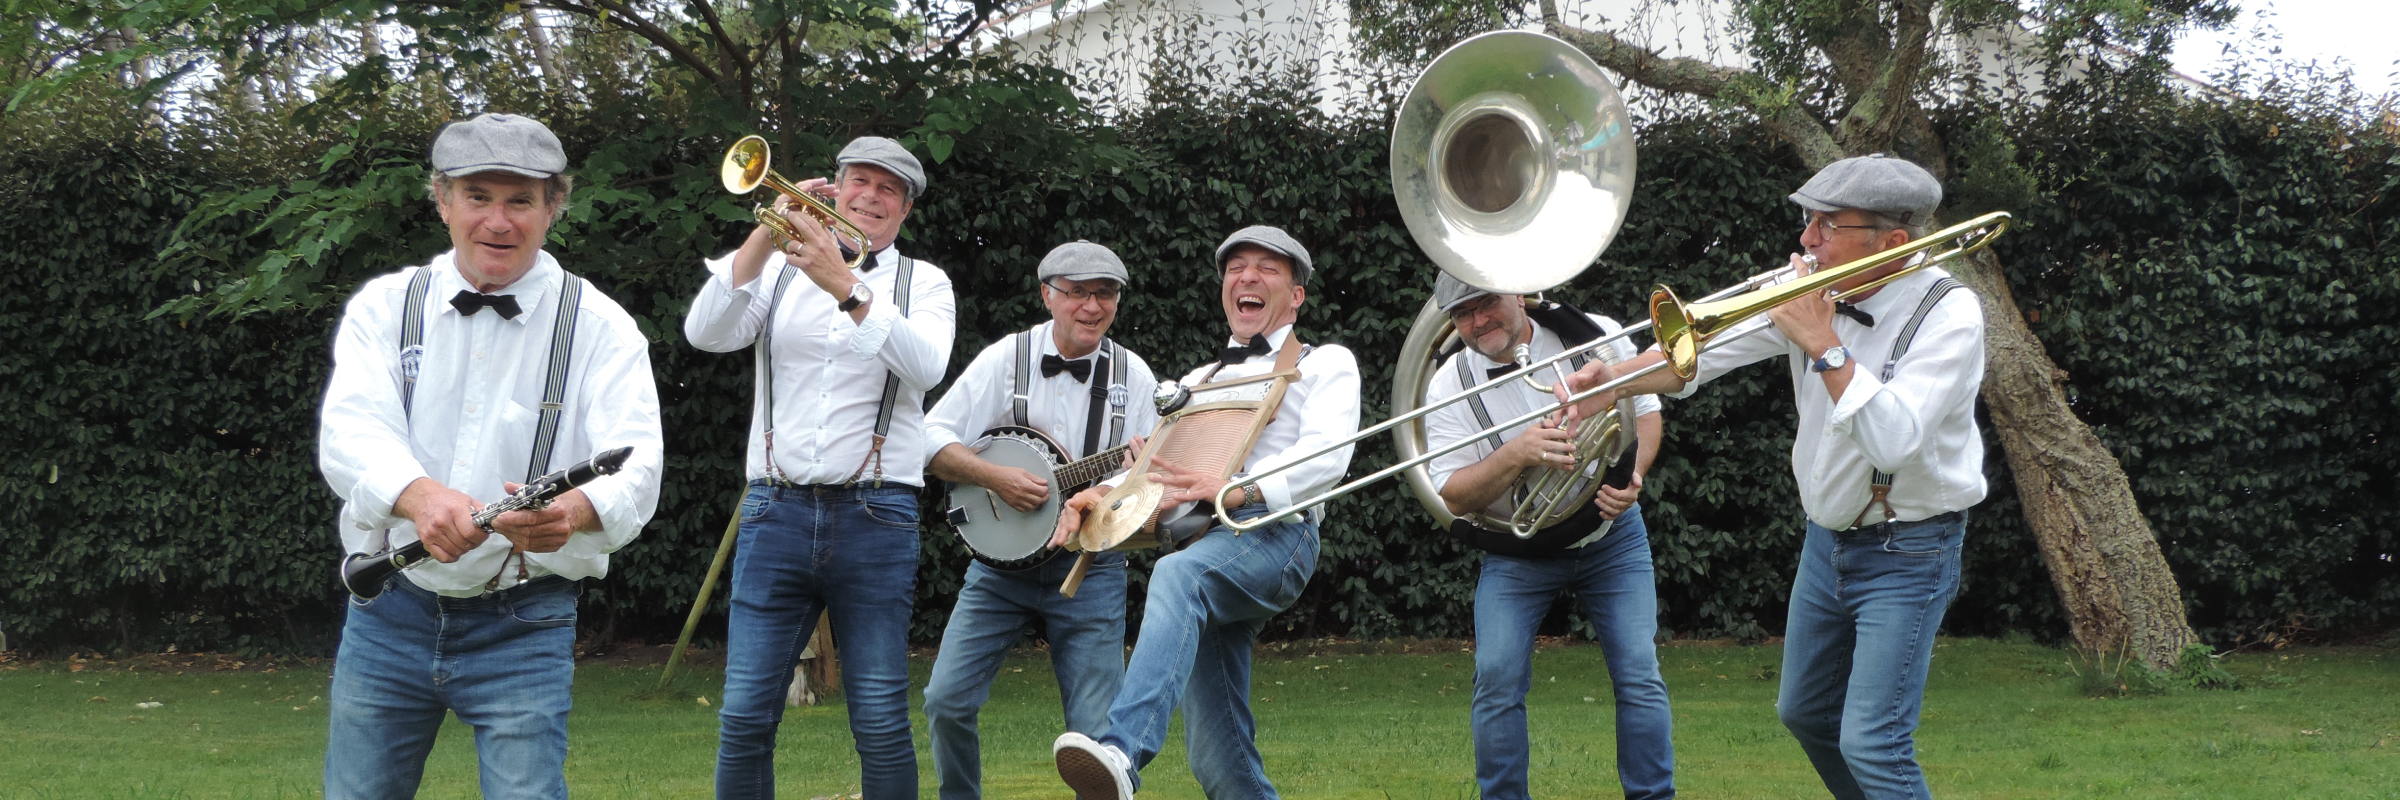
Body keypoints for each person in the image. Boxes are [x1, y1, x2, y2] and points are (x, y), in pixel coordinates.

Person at [1573, 153, 1984, 800]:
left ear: (1894, 241)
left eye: (1827, 225)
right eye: (1807, 221)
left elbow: (1894, 440)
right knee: (1806, 714)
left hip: (1910, 547)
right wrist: (1613, 382)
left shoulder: (1950, 316)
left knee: (1874, 741)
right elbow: (1698, 356)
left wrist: (1826, 345)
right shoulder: (1814, 295)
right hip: (1827, 545)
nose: (1806, 241)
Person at [319, 112, 665, 800]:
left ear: (553, 208)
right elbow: (350, 431)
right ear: (442, 200)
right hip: (389, 607)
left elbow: (637, 462)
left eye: (521, 200)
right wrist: (421, 497)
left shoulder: (600, 327)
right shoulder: (385, 307)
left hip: (525, 617)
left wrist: (573, 509)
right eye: (478, 196)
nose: (498, 222)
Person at [684, 136, 956, 800]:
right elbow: (706, 332)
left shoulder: (925, 282)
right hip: (774, 510)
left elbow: (925, 368)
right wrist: (764, 237)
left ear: (906, 210)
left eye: (888, 189)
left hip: (876, 514)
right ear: (833, 187)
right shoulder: (776, 270)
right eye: (858, 181)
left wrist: (842, 282)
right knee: (746, 713)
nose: (870, 196)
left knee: (881, 716)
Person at [1047, 225, 1361, 800]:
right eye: (1237, 266)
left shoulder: (1325, 362)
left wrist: (1233, 489)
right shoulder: (1196, 381)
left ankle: (1121, 751)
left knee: (1176, 574)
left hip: (1276, 537)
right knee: (1219, 758)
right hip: (1206, 548)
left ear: (1296, 296)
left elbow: (1327, 457)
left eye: (1268, 268)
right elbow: (1158, 467)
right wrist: (1102, 494)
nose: (1248, 276)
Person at [920, 240, 1162, 800]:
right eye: (1077, 292)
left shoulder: (1135, 374)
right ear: (1047, 295)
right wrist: (994, 478)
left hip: (1089, 570)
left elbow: (1152, 475)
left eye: (1105, 293)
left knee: (1099, 737)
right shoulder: (1007, 357)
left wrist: (1107, 489)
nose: (1092, 306)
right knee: (945, 700)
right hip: (998, 571)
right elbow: (928, 438)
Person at [1420, 273, 1674, 800]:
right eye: (1462, 314)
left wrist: (1634, 476)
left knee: (1638, 672)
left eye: (1486, 302)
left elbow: (1647, 417)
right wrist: (1516, 453)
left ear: (1517, 291)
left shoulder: (1592, 334)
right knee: (1495, 678)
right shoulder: (1446, 386)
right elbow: (1454, 495)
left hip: (1613, 538)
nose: (1478, 321)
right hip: (1520, 552)